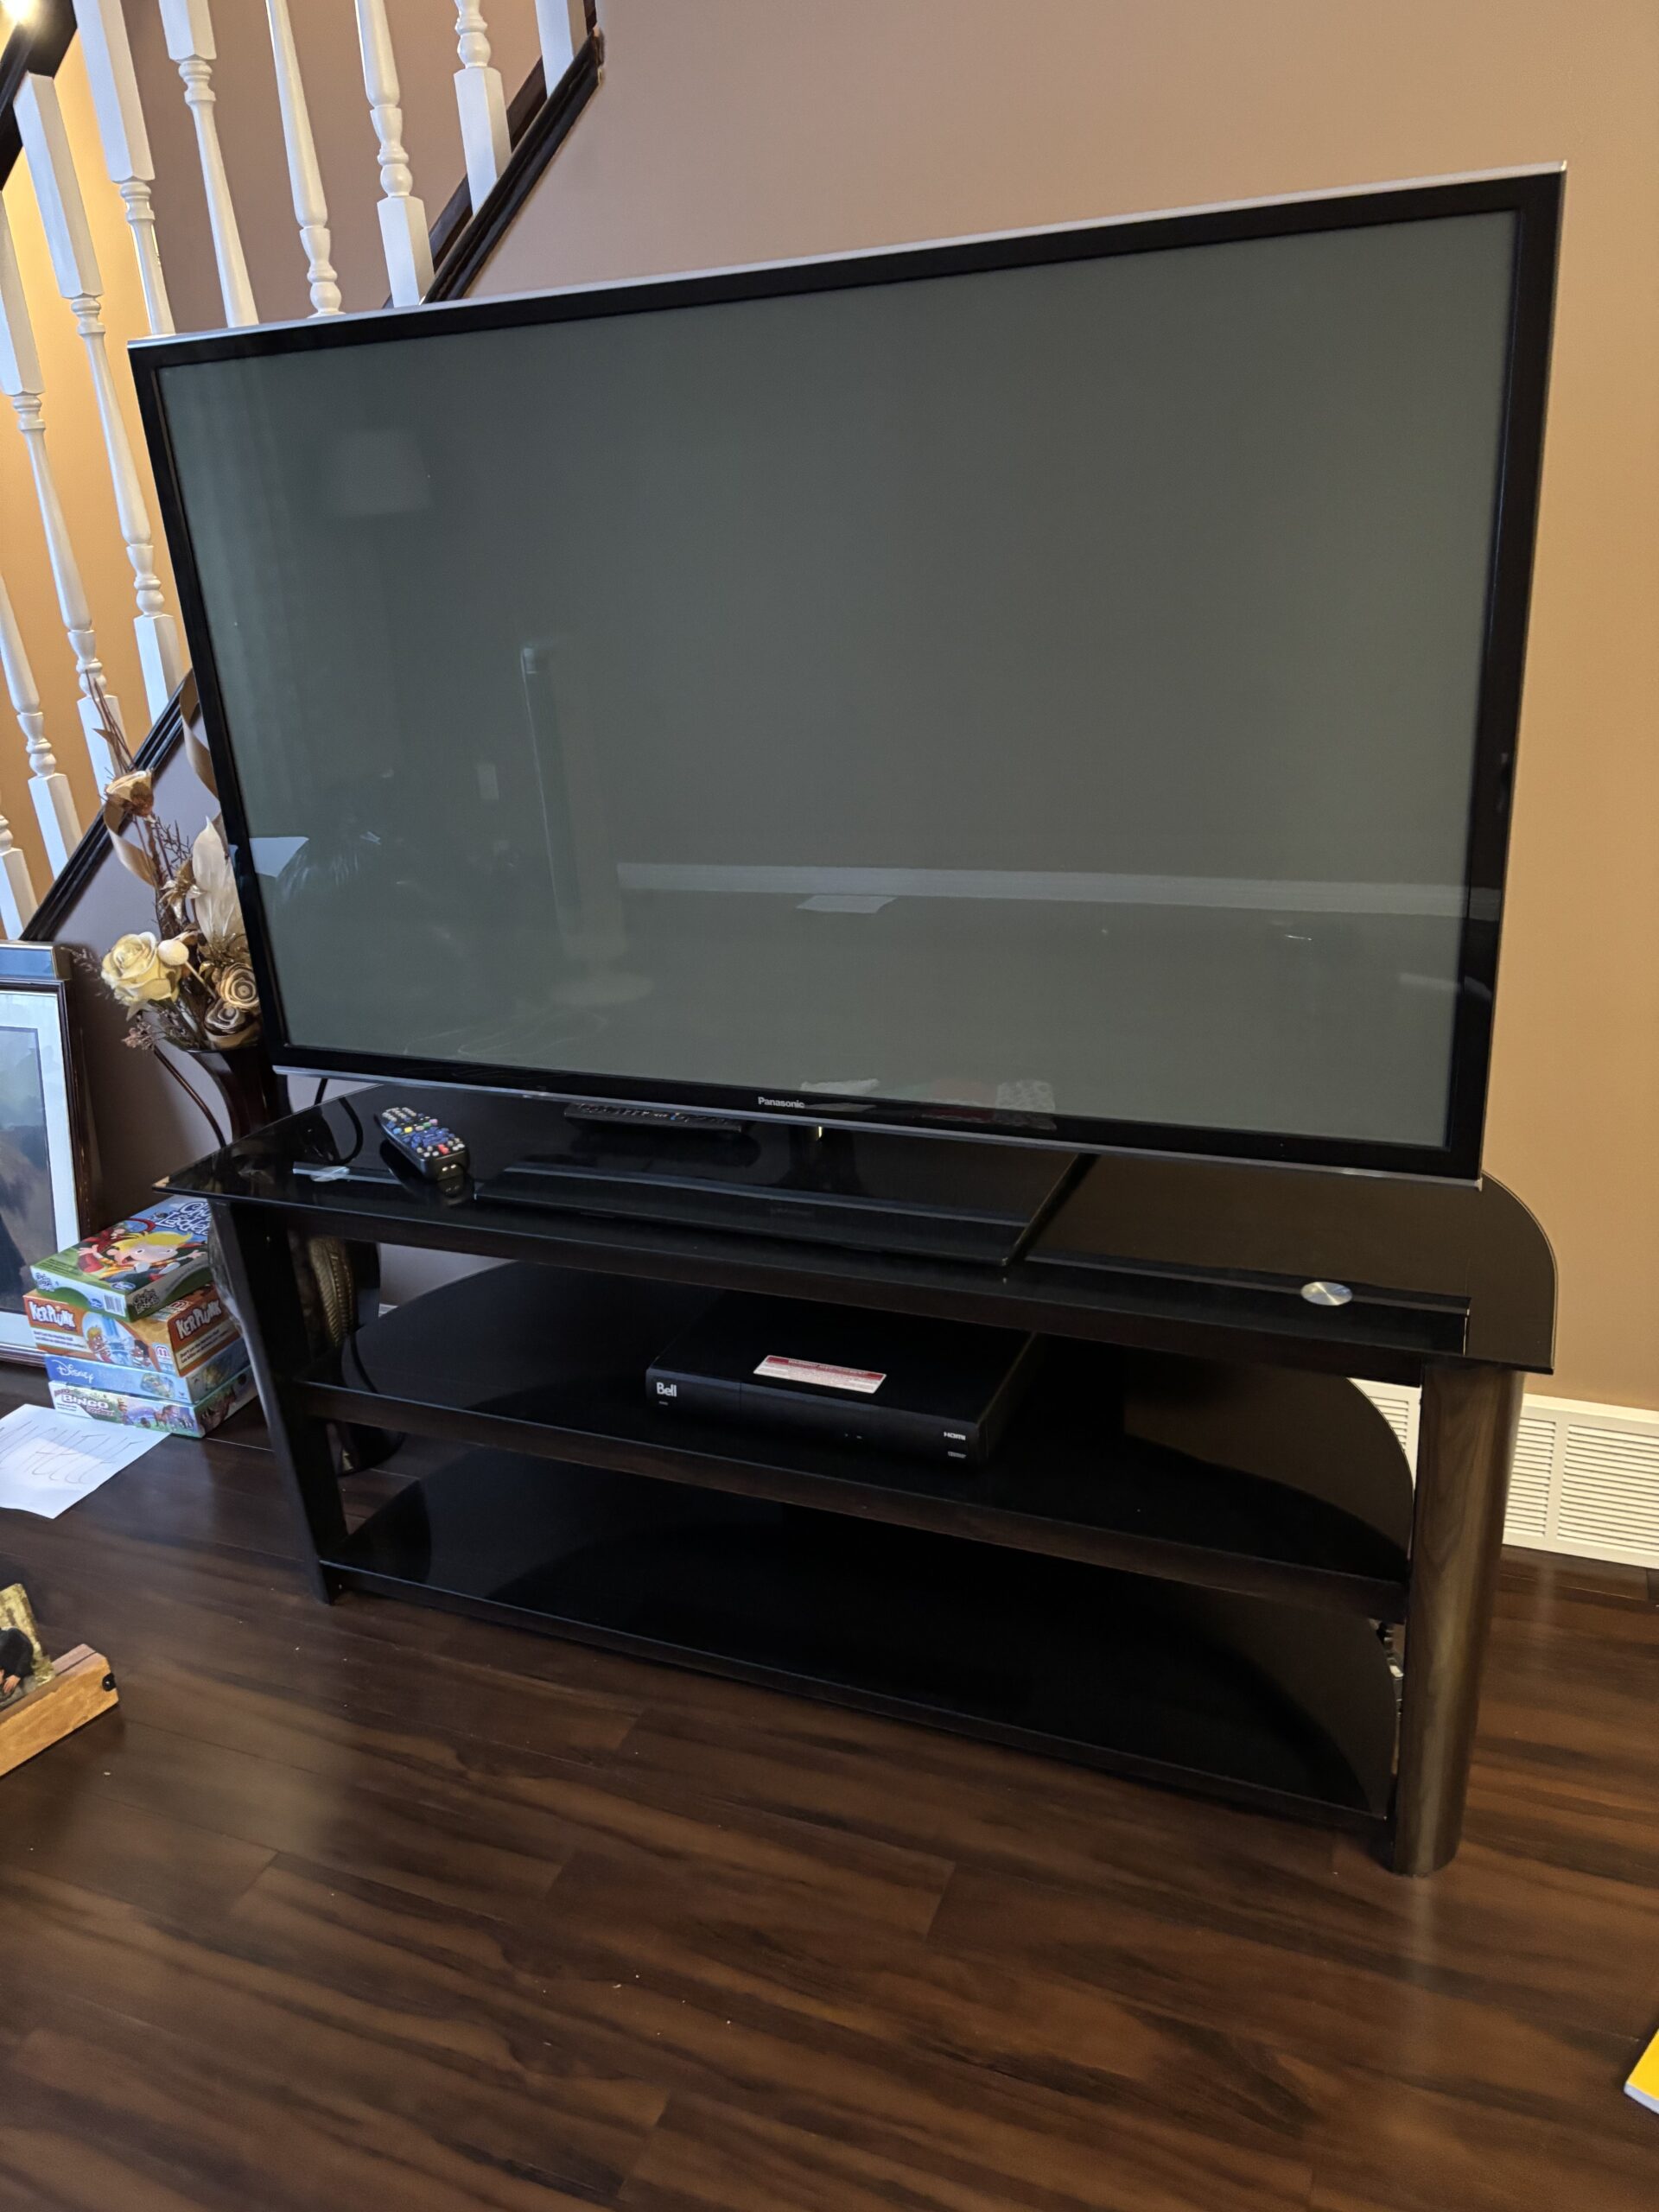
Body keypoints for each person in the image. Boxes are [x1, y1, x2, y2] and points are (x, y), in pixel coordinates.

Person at [0, 1624, 34, 1706]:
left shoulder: (11, 1632)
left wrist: (17, 1675)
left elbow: (28, 1649)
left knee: (35, 1702)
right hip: (7, 1687)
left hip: (26, 1678)